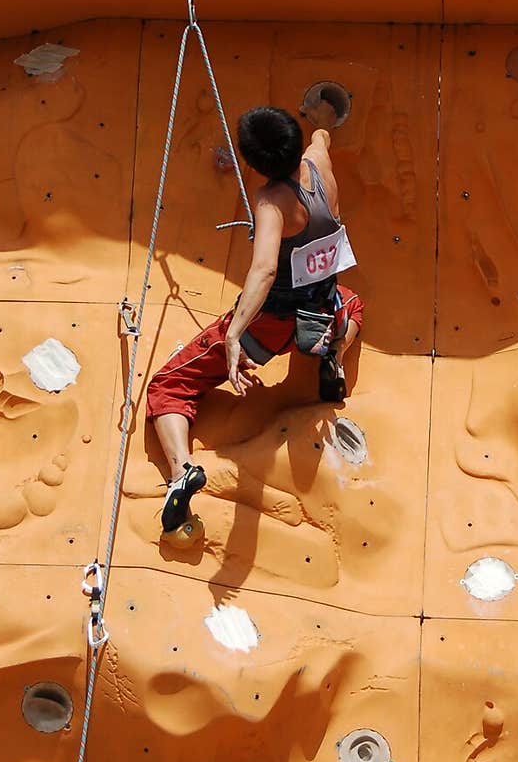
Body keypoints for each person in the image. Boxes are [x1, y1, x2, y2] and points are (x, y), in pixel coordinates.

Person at [146, 100, 363, 537]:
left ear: (253, 163)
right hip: (321, 307)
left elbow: (264, 270)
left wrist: (234, 336)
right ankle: (333, 350)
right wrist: (320, 121)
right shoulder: (318, 162)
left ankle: (180, 472)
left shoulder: (270, 203)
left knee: (169, 386)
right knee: (353, 303)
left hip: (272, 323)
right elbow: (322, 134)